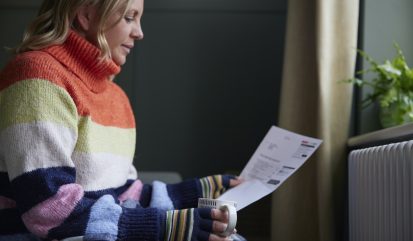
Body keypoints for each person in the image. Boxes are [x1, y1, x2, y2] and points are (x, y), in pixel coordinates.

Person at [0, 0, 243, 240]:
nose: (140, 33)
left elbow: (125, 195)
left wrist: (199, 191)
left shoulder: (116, 97)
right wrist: (168, 228)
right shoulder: (36, 78)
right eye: (129, 17)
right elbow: (49, 210)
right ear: (85, 15)